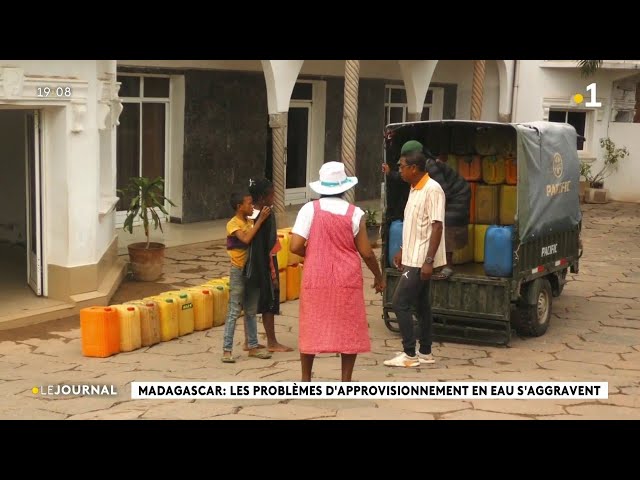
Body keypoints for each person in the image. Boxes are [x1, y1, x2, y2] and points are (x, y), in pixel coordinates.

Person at [289, 161, 385, 382]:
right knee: (349, 325)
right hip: (346, 277)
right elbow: (367, 253)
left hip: (316, 275)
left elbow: (295, 246)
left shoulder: (308, 210)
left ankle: (306, 379)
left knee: (311, 323)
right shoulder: (355, 213)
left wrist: (315, 253)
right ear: (345, 188)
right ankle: (345, 380)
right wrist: (379, 277)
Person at [383, 149, 446, 368]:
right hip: (412, 255)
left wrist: (429, 261)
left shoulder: (433, 189)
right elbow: (414, 224)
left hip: (421, 259)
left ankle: (409, 354)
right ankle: (426, 352)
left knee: (400, 303)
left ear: (414, 168)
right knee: (421, 305)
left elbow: (437, 226)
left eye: (401, 166)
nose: (398, 170)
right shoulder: (414, 188)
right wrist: (402, 249)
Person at [382, 140, 470, 280]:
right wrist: (390, 173)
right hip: (445, 193)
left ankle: (447, 265)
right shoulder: (415, 174)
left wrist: (428, 262)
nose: (401, 167)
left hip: (457, 195)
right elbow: (406, 174)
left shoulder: (431, 166)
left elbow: (444, 190)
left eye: (403, 164)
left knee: (445, 221)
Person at [221, 191, 273, 363]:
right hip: (238, 270)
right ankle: (227, 350)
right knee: (234, 310)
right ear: (239, 207)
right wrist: (260, 221)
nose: (252, 207)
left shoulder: (251, 222)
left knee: (250, 310)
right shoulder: (233, 224)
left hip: (253, 271)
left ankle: (252, 346)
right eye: (249, 204)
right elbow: (245, 239)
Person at [244, 177, 293, 353]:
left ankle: (248, 340)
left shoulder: (246, 213)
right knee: (269, 302)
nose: (274, 197)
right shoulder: (266, 214)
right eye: (272, 194)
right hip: (264, 263)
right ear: (264, 197)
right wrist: (272, 268)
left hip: (248, 264)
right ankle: (272, 341)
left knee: (250, 301)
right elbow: (270, 243)